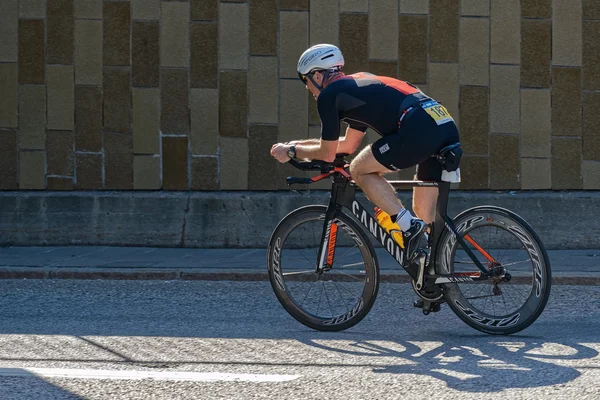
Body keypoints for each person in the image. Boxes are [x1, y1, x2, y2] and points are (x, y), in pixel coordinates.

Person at [270, 44, 460, 260]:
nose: (307, 88)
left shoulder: (329, 95)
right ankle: (436, 283)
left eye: (306, 81)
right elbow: (348, 145)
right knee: (425, 218)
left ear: (317, 74)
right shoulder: (358, 85)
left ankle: (407, 225)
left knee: (359, 170)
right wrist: (298, 145)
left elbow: (327, 154)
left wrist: (292, 151)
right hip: (442, 124)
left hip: (418, 127)